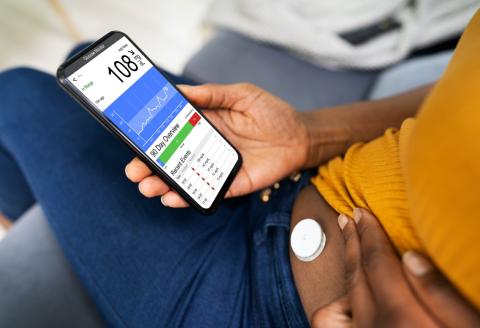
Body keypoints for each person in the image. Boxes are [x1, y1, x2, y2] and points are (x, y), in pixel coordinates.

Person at [0, 11, 479, 328]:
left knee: (14, 96)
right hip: (299, 176)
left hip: (264, 304)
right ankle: (58, 236)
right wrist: (309, 136)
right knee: (89, 63)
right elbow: (451, 94)